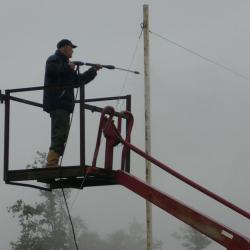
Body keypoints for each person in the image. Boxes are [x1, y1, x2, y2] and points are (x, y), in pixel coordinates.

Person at [43, 39, 101, 167]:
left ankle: (53, 161)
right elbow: (52, 71)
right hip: (58, 103)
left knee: (61, 132)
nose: (73, 50)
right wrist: (67, 67)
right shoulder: (53, 59)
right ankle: (52, 162)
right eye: (71, 47)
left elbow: (77, 81)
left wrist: (93, 71)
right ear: (64, 47)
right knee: (60, 132)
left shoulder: (65, 64)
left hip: (63, 104)